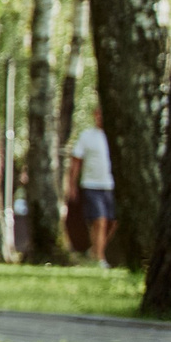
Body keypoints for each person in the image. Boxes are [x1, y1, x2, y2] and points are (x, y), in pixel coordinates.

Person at [69, 106, 115, 266]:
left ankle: (95, 250)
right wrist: (72, 185)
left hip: (111, 185)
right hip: (91, 185)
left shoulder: (115, 136)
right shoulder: (87, 136)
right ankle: (100, 259)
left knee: (112, 222)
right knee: (99, 221)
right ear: (94, 114)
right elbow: (75, 161)